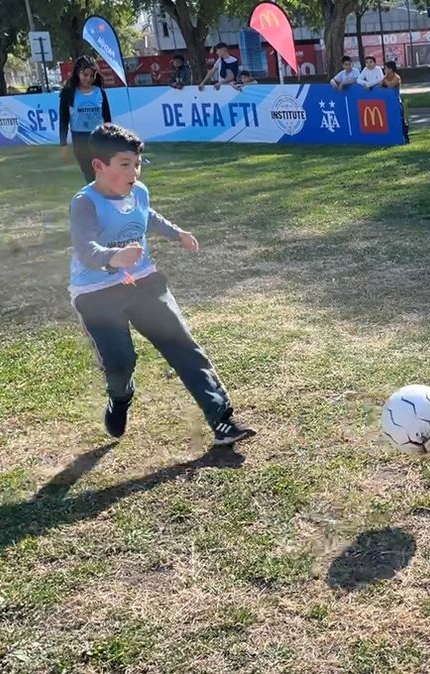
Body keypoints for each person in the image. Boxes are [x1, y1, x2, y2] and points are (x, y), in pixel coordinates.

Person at [68, 123, 252, 448]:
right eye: (125, 165)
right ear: (99, 165)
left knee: (183, 346)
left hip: (145, 283)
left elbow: (147, 215)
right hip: (97, 295)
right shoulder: (85, 203)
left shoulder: (139, 191)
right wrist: (114, 257)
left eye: (137, 164)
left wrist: (177, 233)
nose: (134, 172)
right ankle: (120, 398)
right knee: (121, 362)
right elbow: (85, 250)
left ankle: (222, 420)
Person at [59, 56, 112, 183]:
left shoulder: (100, 93)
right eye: (85, 74)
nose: (88, 79)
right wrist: (63, 144)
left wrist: (111, 139)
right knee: (89, 175)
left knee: (102, 172)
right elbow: (64, 119)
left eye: (92, 75)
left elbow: (107, 118)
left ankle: (106, 198)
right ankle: (95, 199)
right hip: (80, 139)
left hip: (99, 137)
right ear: (78, 73)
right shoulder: (69, 93)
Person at [382, 60, 409, 143]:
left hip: (397, 102)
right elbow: (379, 85)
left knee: (401, 120)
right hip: (387, 102)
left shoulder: (396, 77)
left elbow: (391, 86)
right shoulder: (385, 77)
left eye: (386, 68)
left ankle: (405, 137)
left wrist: (384, 79)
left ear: (390, 69)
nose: (384, 70)